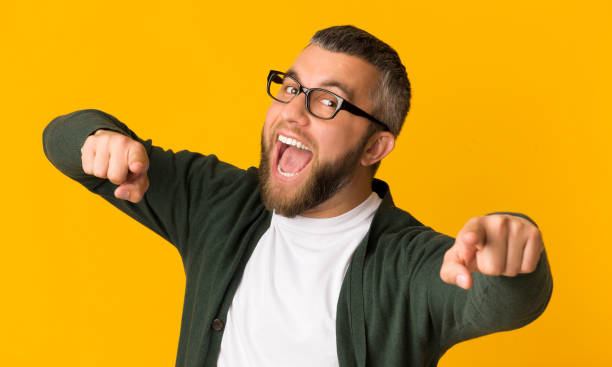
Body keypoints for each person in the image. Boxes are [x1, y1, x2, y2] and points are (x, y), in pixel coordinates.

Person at [42, 25, 552, 367]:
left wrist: (512, 254)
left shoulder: (407, 264)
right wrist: (99, 141)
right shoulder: (220, 204)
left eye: (328, 101)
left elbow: (503, 302)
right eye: (290, 87)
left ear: (376, 145)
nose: (292, 112)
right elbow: (61, 141)